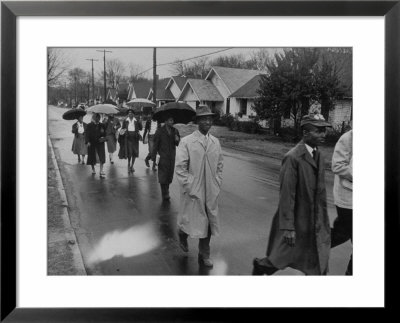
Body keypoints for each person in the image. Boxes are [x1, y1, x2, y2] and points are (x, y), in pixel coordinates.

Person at [252, 112, 332, 275]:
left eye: (324, 130)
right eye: (318, 131)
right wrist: (288, 227)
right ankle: (261, 267)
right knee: (282, 256)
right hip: (297, 221)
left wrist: (323, 219)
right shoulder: (293, 158)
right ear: (305, 133)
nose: (323, 134)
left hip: (315, 221)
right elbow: (287, 195)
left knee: (317, 261)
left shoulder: (319, 155)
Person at [175, 106, 224, 268]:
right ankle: (182, 234)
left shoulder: (215, 142)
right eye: (203, 119)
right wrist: (190, 185)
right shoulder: (187, 141)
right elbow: (181, 168)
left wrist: (216, 182)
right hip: (193, 189)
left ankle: (205, 253)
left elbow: (220, 165)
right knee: (190, 220)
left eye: (209, 119)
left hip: (210, 189)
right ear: (197, 121)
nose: (207, 122)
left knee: (208, 221)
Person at [331, 128, 353, 275]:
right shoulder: (348, 138)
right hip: (348, 200)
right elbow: (337, 165)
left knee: (341, 233)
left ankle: (308, 246)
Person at [152, 114, 180, 201]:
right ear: (166, 121)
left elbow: (177, 143)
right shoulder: (159, 131)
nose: (172, 122)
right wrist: (153, 157)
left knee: (169, 174)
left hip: (171, 156)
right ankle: (165, 192)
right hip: (163, 156)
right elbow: (155, 145)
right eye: (170, 120)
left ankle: (166, 189)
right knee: (163, 175)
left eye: (172, 120)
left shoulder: (175, 131)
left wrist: (177, 139)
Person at [118, 108, 143, 173]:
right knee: (129, 152)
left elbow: (140, 128)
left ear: (133, 114)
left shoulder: (136, 120)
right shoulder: (125, 120)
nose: (130, 114)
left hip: (135, 138)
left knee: (134, 152)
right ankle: (129, 164)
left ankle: (132, 166)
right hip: (128, 137)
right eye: (129, 113)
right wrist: (122, 131)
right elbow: (123, 128)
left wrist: (140, 122)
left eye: (131, 113)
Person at [85, 113, 107, 178]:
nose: (98, 119)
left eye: (99, 118)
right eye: (97, 118)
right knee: (92, 157)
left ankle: (101, 171)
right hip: (92, 143)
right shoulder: (89, 125)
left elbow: (105, 134)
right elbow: (87, 134)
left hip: (100, 143)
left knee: (101, 156)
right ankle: (93, 169)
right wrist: (87, 142)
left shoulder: (102, 125)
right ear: (94, 118)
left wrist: (103, 133)